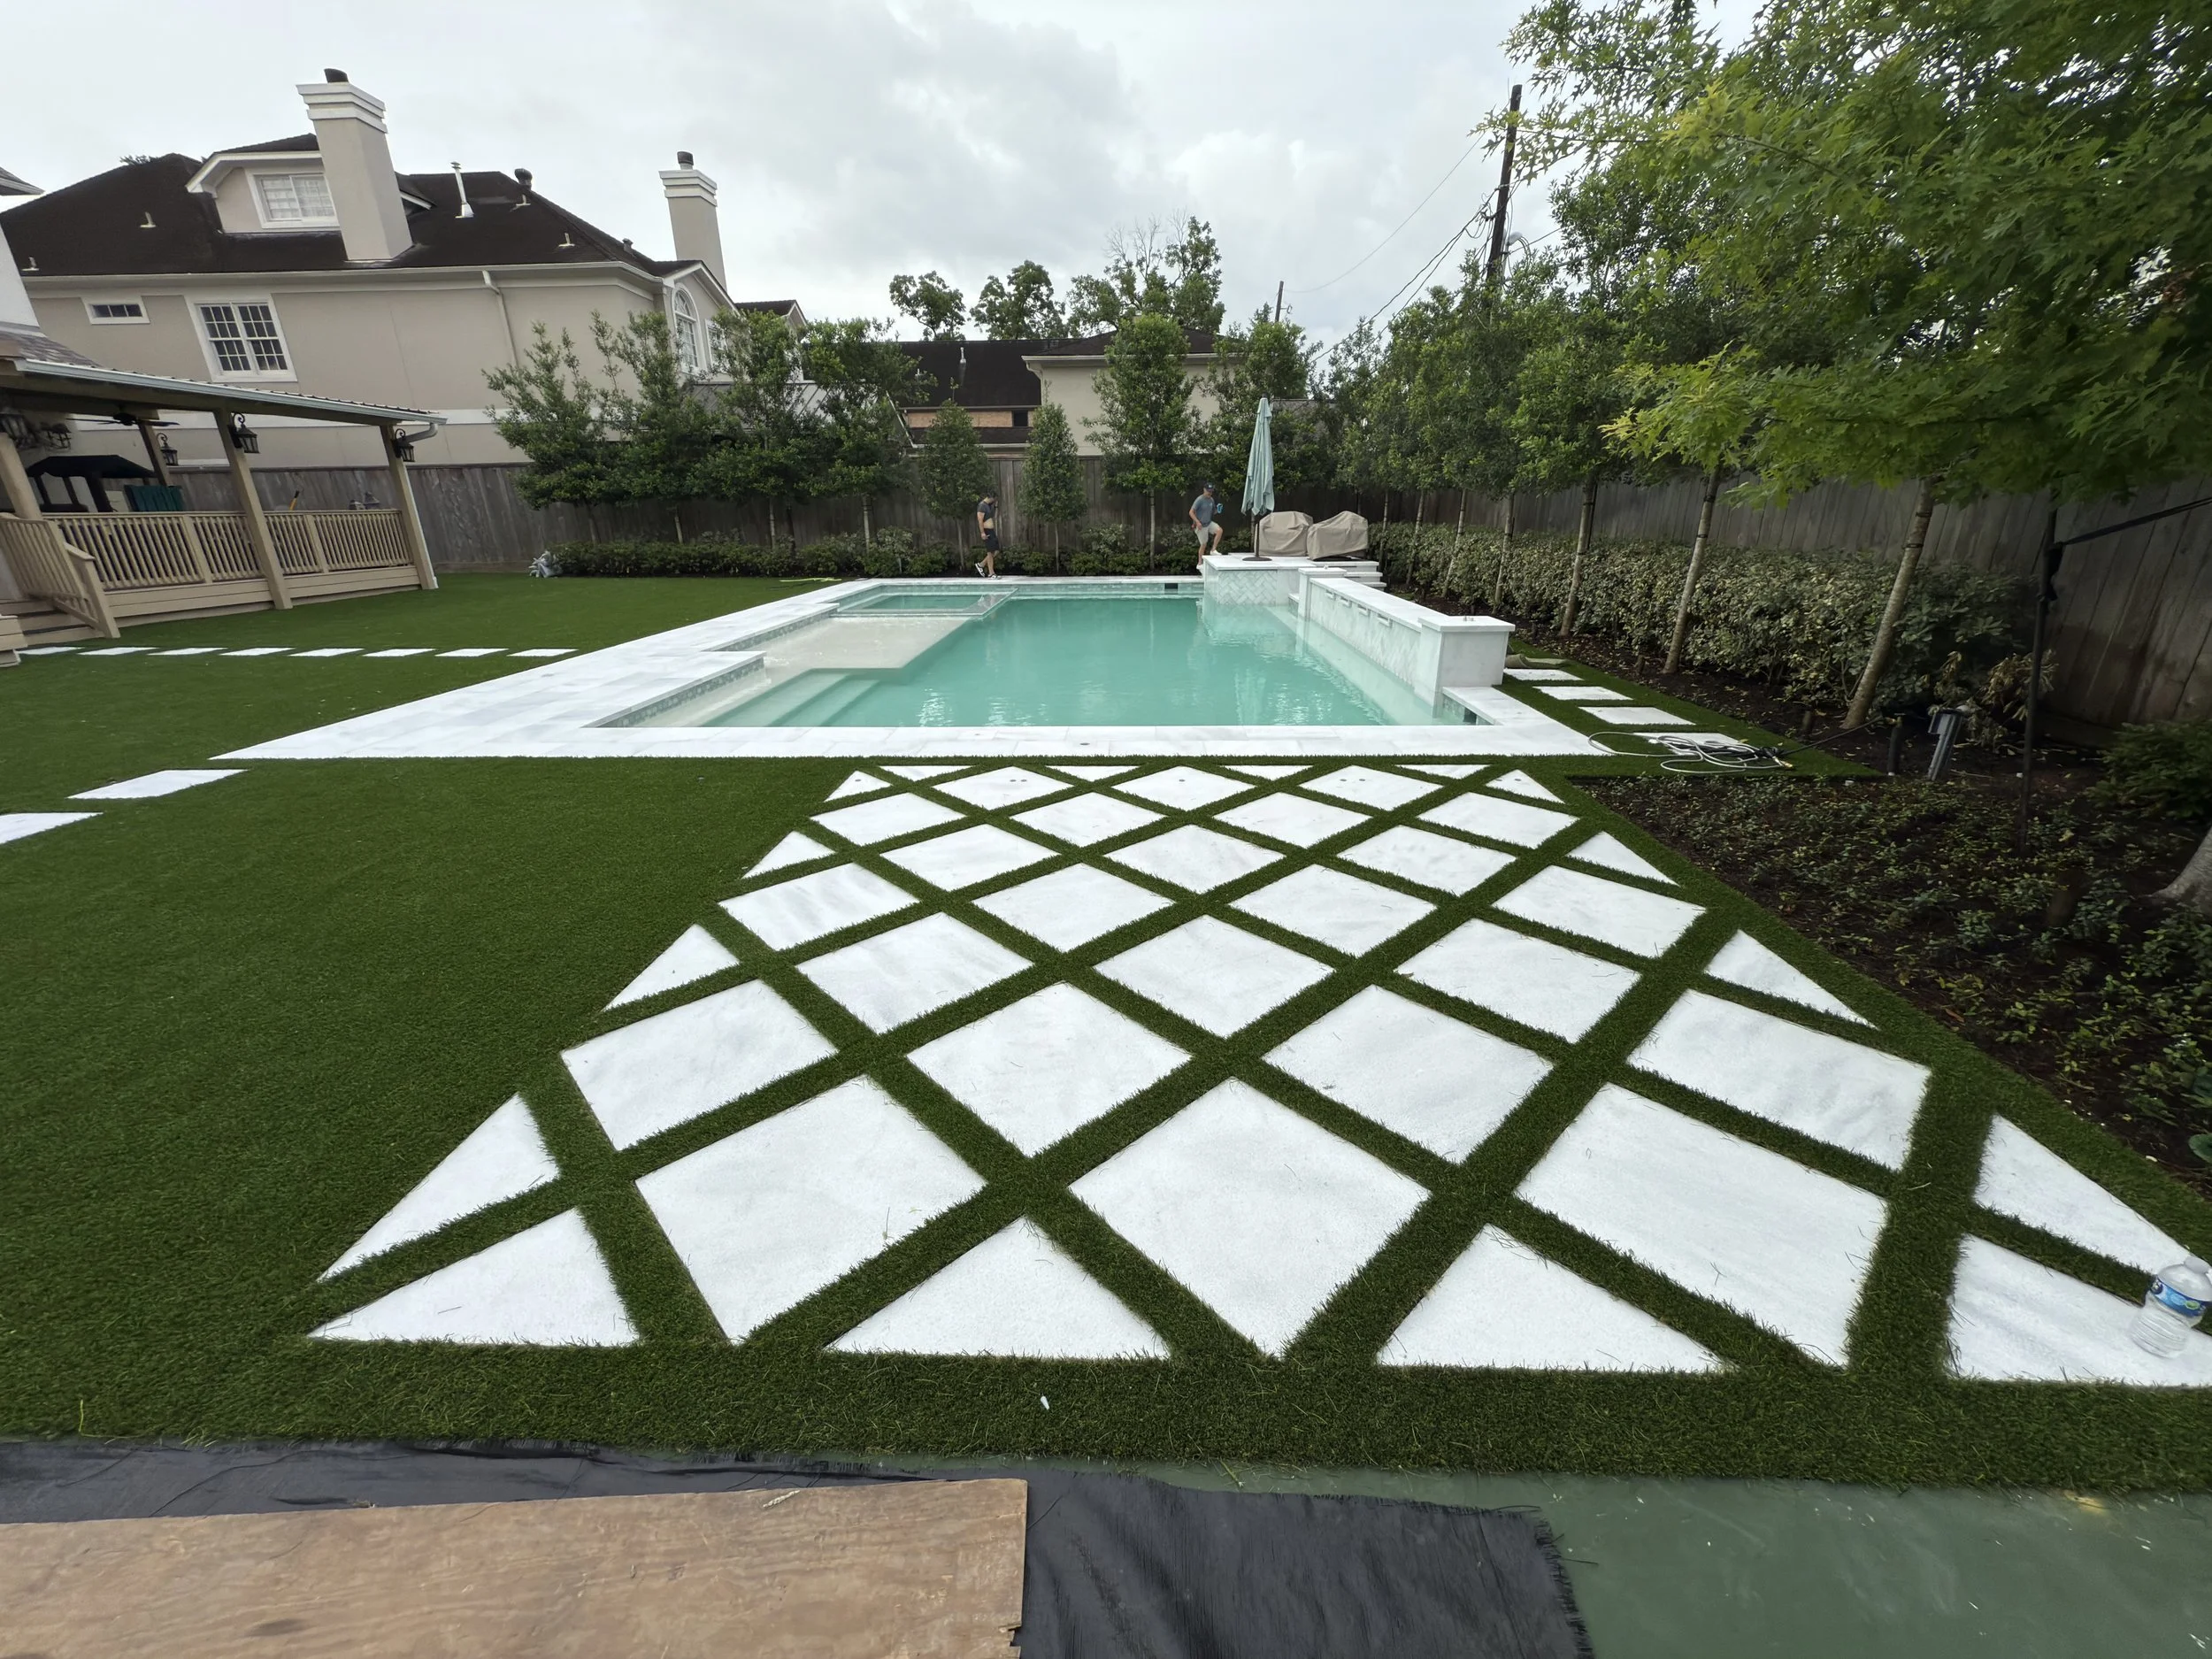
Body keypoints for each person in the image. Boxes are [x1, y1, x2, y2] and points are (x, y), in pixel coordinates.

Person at [1189, 482, 1223, 561]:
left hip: (1208, 523)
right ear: (1204, 490)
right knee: (1203, 545)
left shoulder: (1211, 500)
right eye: (1208, 491)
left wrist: (1218, 510)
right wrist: (1197, 522)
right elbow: (1191, 512)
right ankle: (1200, 563)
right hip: (1201, 525)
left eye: (1211, 491)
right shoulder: (1199, 500)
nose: (1210, 493)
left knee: (1219, 531)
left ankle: (1213, 550)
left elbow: (1212, 512)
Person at [974, 491, 1002, 578]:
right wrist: (982, 533)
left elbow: (993, 516)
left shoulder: (988, 505)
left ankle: (981, 565)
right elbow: (980, 520)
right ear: (989, 497)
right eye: (993, 499)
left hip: (991, 531)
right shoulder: (981, 506)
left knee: (996, 551)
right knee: (990, 552)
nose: (994, 500)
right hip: (986, 531)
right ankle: (991, 573)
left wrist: (996, 506)